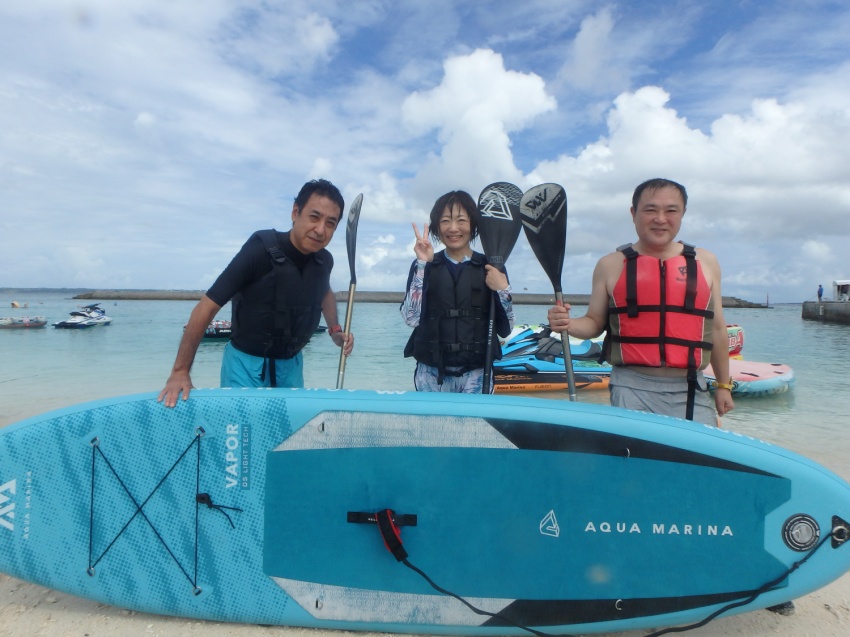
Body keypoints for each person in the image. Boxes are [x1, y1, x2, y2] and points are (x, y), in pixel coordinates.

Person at [547, 178, 734, 426]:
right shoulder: (610, 264)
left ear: (683, 214)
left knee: (698, 460)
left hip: (690, 386)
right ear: (633, 213)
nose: (660, 218)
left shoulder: (706, 262)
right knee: (635, 458)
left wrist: (723, 385)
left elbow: (718, 329)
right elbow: (594, 322)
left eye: (671, 210)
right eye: (650, 209)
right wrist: (567, 323)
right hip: (631, 386)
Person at [158, 179, 354, 407]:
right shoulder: (260, 249)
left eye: (330, 223)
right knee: (241, 437)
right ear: (295, 212)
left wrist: (335, 331)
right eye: (314, 217)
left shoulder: (323, 261)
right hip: (245, 365)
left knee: (286, 437)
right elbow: (207, 306)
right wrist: (180, 371)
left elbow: (324, 293)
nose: (320, 230)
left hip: (290, 367)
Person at [401, 190, 514, 393]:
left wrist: (503, 290)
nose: (453, 228)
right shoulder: (424, 265)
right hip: (431, 374)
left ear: (474, 224)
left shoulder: (491, 267)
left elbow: (507, 328)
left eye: (461, 220)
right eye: (445, 221)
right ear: (437, 227)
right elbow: (411, 319)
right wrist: (421, 265)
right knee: (435, 425)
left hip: (477, 374)